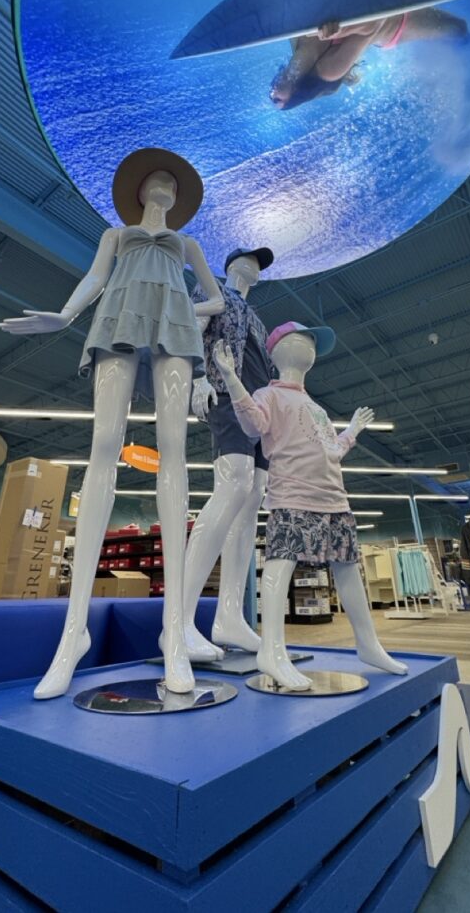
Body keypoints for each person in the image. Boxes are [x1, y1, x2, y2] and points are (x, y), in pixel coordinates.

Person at [0, 148, 224, 696]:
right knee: (105, 443)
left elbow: (214, 300)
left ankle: (175, 630)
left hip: (174, 324)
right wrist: (66, 315)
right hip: (117, 314)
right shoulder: (115, 235)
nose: (164, 186)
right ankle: (72, 631)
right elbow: (96, 277)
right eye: (157, 180)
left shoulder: (188, 244)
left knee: (174, 448)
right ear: (140, 191)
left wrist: (178, 308)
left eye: (173, 182)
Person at [213, 320, 407, 690]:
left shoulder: (315, 407)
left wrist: (351, 430)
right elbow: (253, 426)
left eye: (312, 343)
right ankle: (272, 649)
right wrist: (231, 377)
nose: (309, 347)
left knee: (348, 570)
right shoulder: (268, 395)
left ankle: (368, 644)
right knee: (279, 565)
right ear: (277, 350)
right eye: (301, 339)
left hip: (335, 500)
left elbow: (331, 450)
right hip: (292, 497)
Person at [172, 245, 274, 662]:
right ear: (230, 265)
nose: (252, 265)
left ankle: (230, 614)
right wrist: (197, 375)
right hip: (225, 395)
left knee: (254, 495)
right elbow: (189, 327)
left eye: (258, 263)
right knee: (234, 485)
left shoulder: (259, 321)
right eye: (246, 259)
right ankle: (177, 621)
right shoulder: (210, 289)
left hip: (258, 411)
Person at [270, 7, 468, 110]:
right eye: (277, 100)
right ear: (295, 95)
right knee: (459, 29)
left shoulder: (295, 39)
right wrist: (340, 30)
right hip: (398, 23)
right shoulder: (328, 71)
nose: (272, 93)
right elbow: (376, 23)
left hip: (383, 6)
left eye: (270, 95)